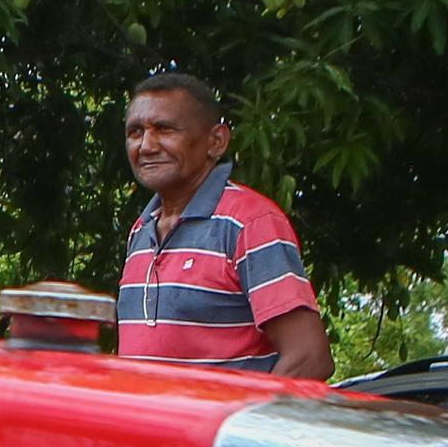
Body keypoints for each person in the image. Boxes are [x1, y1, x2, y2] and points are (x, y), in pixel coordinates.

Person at [113, 71, 330, 377]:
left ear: (216, 141)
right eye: (135, 132)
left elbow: (309, 358)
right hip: (148, 426)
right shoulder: (141, 230)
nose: (146, 145)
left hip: (219, 426)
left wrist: (238, 425)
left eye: (164, 129)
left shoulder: (250, 223)